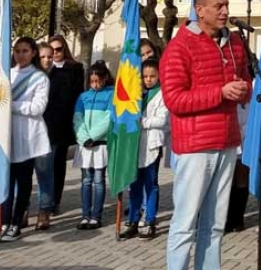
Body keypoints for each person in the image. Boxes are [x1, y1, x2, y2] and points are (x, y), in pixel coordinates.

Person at [160, 0, 251, 270]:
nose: (226, 10)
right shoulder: (179, 46)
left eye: (227, 5)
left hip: (227, 141)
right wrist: (219, 92)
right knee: (184, 225)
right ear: (200, 9)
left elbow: (244, 81)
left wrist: (245, 87)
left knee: (214, 224)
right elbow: (175, 100)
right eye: (219, 5)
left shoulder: (235, 44)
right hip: (195, 146)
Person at [0, 37, 51, 242]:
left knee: (23, 181)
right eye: (17, 51)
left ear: (33, 52)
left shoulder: (40, 78)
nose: (20, 55)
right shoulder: (7, 74)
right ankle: (5, 222)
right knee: (6, 182)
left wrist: (12, 105)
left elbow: (37, 108)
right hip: (7, 133)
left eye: (25, 51)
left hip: (27, 136)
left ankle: (17, 223)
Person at [121, 58, 169, 240]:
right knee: (134, 185)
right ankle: (133, 220)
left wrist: (142, 121)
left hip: (151, 144)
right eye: (145, 76)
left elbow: (162, 120)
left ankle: (150, 220)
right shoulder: (136, 93)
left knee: (151, 184)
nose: (148, 79)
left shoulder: (161, 94)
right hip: (135, 144)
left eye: (152, 76)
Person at [38, 35, 85, 224]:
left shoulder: (74, 68)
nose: (54, 54)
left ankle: (53, 201)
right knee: (43, 166)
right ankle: (45, 202)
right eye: (51, 50)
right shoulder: (41, 70)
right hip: (42, 123)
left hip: (62, 123)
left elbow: (76, 95)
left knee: (57, 164)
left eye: (58, 49)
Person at [73, 61, 114, 231]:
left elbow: (109, 117)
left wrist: (94, 136)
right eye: (92, 81)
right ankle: (85, 215)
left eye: (98, 81)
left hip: (100, 145)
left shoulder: (111, 95)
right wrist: (84, 138)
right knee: (86, 180)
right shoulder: (83, 97)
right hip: (85, 145)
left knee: (98, 180)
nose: (95, 85)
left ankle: (96, 215)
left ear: (105, 79)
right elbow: (77, 118)